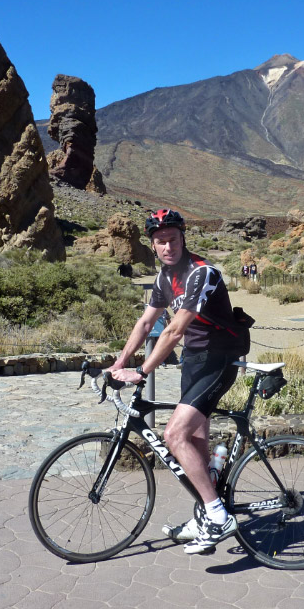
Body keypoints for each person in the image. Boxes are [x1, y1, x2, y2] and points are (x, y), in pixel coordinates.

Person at [109, 208, 246, 555]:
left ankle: (218, 516)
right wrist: (119, 362)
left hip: (219, 359)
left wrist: (141, 371)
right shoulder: (164, 278)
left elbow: (173, 330)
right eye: (159, 242)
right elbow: (145, 324)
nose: (167, 246)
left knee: (173, 434)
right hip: (194, 361)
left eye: (172, 239)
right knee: (195, 441)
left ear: (183, 238)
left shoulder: (202, 274)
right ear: (152, 246)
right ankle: (205, 514)